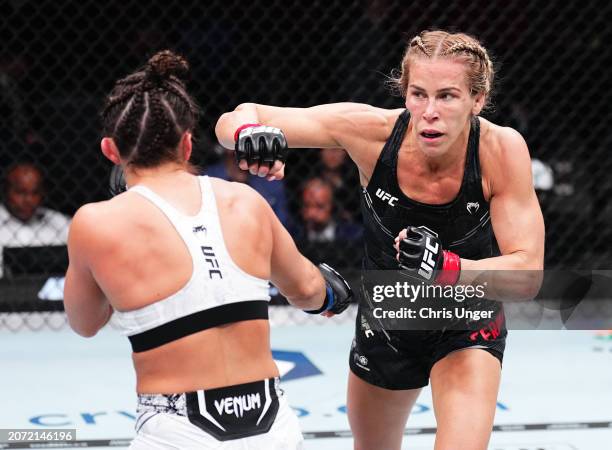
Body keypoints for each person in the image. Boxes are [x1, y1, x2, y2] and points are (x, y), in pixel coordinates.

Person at [216, 30, 545, 450]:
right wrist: (249, 133)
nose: (429, 112)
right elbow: (239, 117)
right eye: (418, 94)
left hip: (466, 325)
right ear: (403, 94)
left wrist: (448, 267)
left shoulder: (499, 150)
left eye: (447, 96)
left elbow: (528, 273)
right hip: (388, 324)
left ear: (477, 101)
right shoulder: (370, 132)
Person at [63, 50, 352, 450]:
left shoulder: (96, 223)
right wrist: (334, 293)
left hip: (175, 432)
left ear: (110, 151)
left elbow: (84, 323)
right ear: (187, 144)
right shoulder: (245, 200)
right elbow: (308, 291)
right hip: (272, 429)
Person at [0, 162, 71, 277]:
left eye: (35, 192)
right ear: (5, 190)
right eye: (20, 192)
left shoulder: (61, 223)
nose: (28, 200)